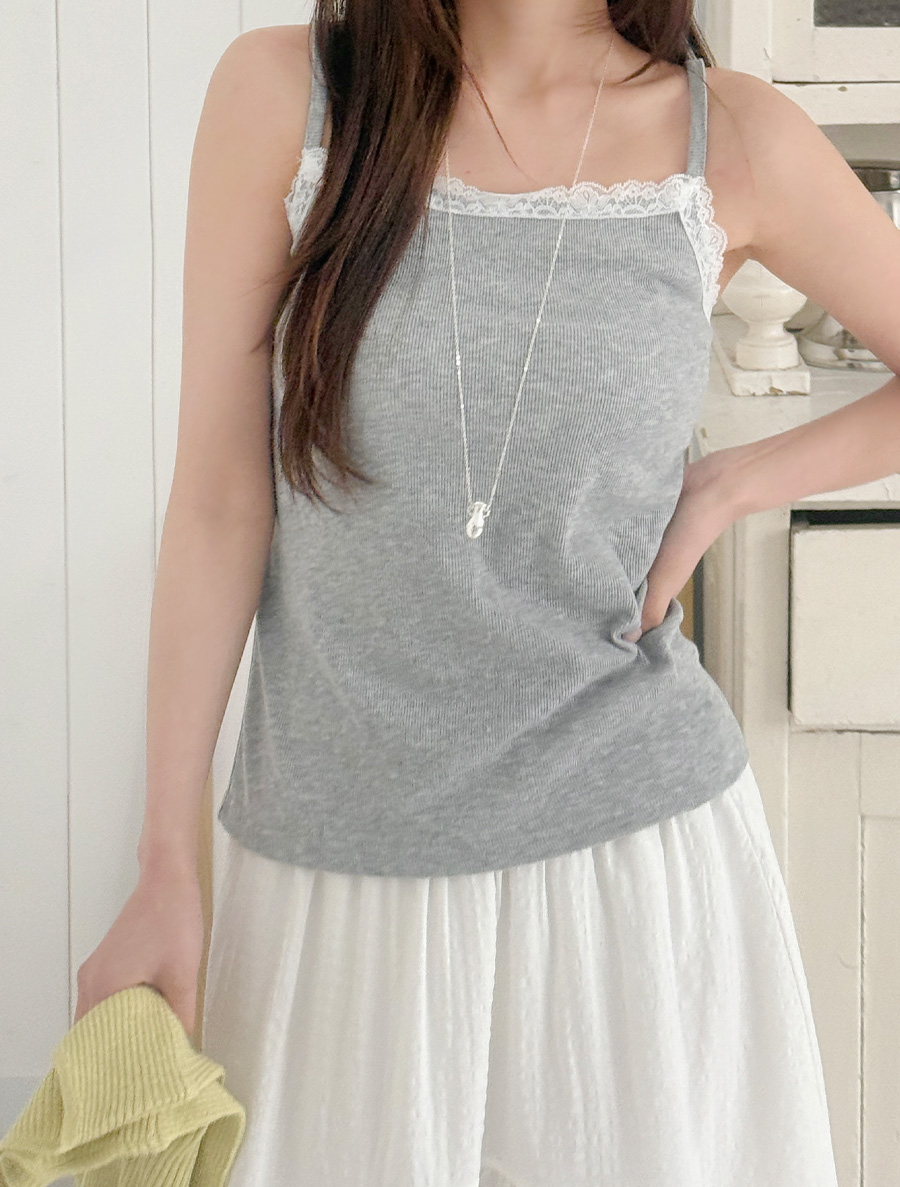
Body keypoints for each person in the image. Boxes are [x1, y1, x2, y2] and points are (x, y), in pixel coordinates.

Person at [75, 0, 900, 1182]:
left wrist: (733, 482)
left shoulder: (731, 138)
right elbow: (217, 501)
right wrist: (167, 861)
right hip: (333, 875)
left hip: (635, 871)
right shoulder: (287, 97)